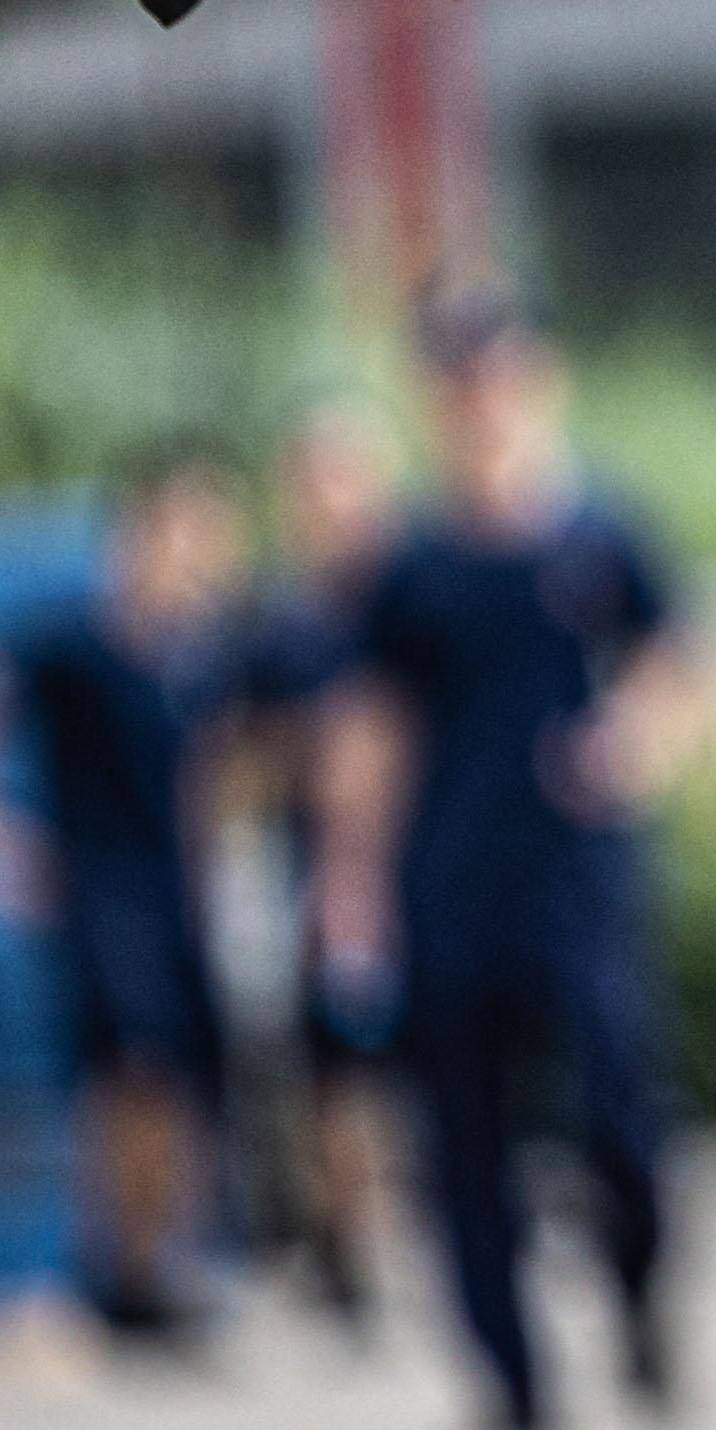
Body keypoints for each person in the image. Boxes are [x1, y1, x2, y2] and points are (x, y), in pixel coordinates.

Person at [319, 301, 696, 1430]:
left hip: (577, 880)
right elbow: (371, 732)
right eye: (460, 387)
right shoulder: (413, 570)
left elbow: (676, 665)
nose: (484, 406)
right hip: (452, 884)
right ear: (436, 405)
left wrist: (634, 738)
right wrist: (350, 884)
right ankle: (515, 1389)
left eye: (502, 380)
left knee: (615, 1106)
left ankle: (637, 1286)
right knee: (464, 1141)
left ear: (541, 384)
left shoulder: (601, 535)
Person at [0, 449, 250, 1342]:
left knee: (178, 1075)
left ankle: (161, 1261)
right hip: (98, 893)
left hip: (179, 895)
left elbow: (227, 772)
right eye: (187, 527)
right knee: (126, 1072)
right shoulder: (69, 639)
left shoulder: (200, 656)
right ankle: (123, 1265)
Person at [223, 402, 404, 1334]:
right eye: (312, 483)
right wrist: (308, 755)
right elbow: (233, 761)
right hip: (326, 880)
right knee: (338, 1067)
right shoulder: (277, 631)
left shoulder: (416, 599)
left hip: (426, 866)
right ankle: (351, 1241)